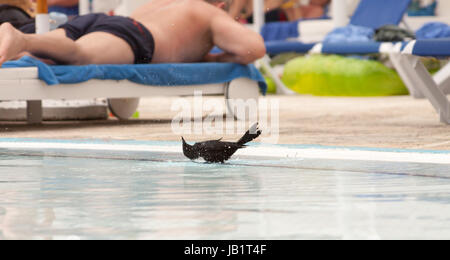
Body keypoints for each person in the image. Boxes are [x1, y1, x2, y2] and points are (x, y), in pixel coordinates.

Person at [0, 0, 266, 67]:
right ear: (221, 6)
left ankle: (23, 45)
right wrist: (214, 61)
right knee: (82, 56)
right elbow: (254, 49)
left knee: (52, 47)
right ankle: (20, 38)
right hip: (134, 35)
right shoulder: (210, 12)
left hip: (107, 23)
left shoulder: (169, 4)